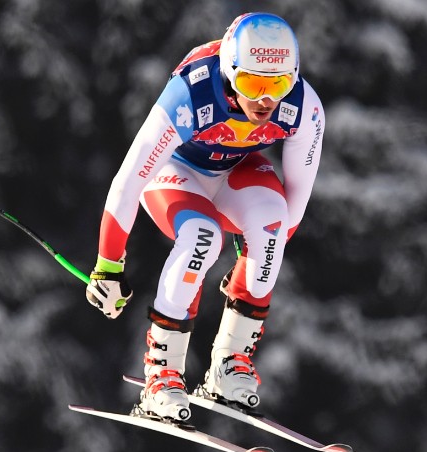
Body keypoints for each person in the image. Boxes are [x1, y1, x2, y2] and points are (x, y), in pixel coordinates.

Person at [84, 13, 325, 423]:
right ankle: (161, 375)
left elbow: (297, 197)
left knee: (272, 227)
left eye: (278, 84)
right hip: (175, 173)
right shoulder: (192, 94)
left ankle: (229, 367)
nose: (266, 100)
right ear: (231, 72)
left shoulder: (303, 107)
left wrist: (256, 260)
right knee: (202, 235)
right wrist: (108, 265)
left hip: (234, 171)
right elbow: (128, 181)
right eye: (253, 83)